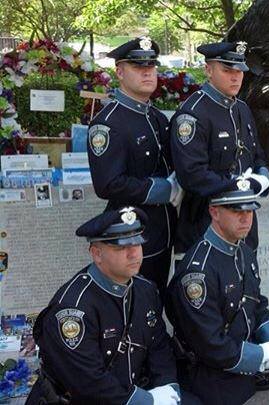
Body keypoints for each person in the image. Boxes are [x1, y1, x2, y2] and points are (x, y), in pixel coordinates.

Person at [165, 180, 269, 405]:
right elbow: (211, 345)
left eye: (249, 210)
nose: (246, 217)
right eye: (236, 210)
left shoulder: (243, 251)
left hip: (242, 340)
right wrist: (261, 356)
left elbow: (256, 304)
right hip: (211, 366)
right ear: (214, 212)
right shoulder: (198, 272)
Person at [27, 207, 180, 405]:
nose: (133, 254)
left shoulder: (145, 289)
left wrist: (168, 388)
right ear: (97, 254)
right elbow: (88, 381)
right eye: (121, 247)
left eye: (137, 244)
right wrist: (146, 401)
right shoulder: (73, 308)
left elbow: (159, 346)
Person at [87, 37, 179, 293]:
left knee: (156, 297)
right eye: (139, 67)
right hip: (131, 232)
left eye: (151, 66)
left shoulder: (157, 117)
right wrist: (163, 190)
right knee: (134, 302)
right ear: (119, 72)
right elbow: (108, 184)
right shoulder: (108, 124)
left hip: (165, 228)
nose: (148, 72)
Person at [170, 41, 269, 257]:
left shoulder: (242, 109)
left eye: (240, 71)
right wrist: (242, 185)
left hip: (244, 225)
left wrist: (263, 177)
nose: (235, 77)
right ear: (208, 70)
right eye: (227, 70)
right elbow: (192, 175)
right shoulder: (193, 113)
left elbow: (257, 155)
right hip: (207, 225)